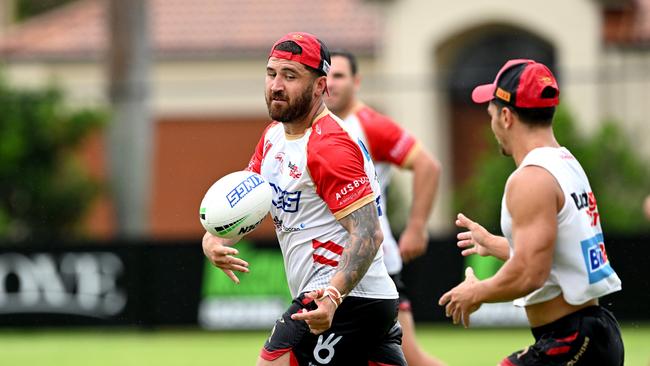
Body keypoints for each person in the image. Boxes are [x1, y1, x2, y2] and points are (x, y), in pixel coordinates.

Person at [202, 32, 406, 366]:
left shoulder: (329, 146)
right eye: (271, 74)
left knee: (272, 362)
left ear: (320, 86)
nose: (276, 85)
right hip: (353, 300)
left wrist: (333, 296)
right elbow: (247, 201)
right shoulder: (272, 137)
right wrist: (213, 239)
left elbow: (369, 234)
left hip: (346, 298)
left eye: (290, 76)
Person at [438, 59, 624, 365]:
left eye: (492, 114)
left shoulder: (531, 178)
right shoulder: (566, 164)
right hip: (592, 333)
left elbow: (530, 272)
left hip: (574, 339)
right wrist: (496, 244)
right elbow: (551, 255)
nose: (492, 124)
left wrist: (476, 292)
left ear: (507, 116)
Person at [324, 50, 444, 366]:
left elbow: (428, 166)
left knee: (410, 357)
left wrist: (417, 226)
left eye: (340, 76)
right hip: (334, 263)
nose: (332, 84)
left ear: (357, 81)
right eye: (328, 75)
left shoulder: (369, 124)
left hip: (376, 262)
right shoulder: (318, 126)